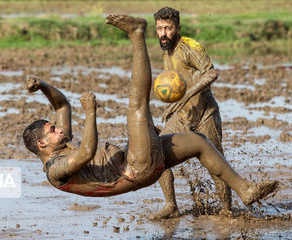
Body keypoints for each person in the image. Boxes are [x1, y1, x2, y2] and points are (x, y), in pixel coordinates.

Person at [23, 14, 278, 210]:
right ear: (42, 143)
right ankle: (136, 33)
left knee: (199, 142)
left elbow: (62, 106)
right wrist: (91, 113)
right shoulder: (55, 169)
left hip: (137, 162)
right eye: (52, 130)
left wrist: (42, 85)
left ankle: (245, 190)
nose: (59, 128)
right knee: (136, 106)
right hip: (133, 170)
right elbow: (88, 152)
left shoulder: (59, 144)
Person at [152, 7, 231, 219]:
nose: (163, 33)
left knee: (216, 164)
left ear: (178, 27)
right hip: (182, 116)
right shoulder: (167, 52)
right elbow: (179, 84)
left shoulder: (190, 46)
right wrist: (173, 106)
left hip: (205, 114)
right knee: (157, 151)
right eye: (160, 28)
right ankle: (171, 205)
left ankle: (227, 210)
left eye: (168, 28)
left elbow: (211, 73)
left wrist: (186, 97)